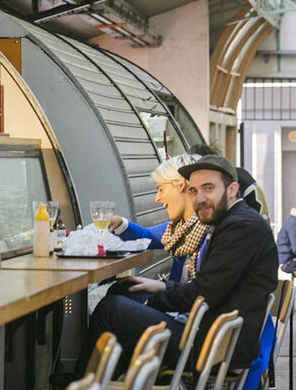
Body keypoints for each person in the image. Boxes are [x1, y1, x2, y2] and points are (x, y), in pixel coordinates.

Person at [79, 154, 278, 377]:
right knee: (125, 290)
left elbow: (203, 294)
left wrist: (152, 300)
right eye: (193, 191)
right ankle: (111, 387)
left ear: (232, 190)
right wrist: (161, 289)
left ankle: (81, 388)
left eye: (209, 188)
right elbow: (207, 288)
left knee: (112, 309)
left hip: (214, 348)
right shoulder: (229, 220)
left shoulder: (240, 227)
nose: (200, 198)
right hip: (209, 331)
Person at [107, 153, 208, 289]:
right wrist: (120, 223)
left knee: (116, 298)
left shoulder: (210, 233)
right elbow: (146, 236)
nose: (157, 198)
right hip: (178, 295)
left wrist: (162, 287)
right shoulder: (182, 227)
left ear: (181, 185)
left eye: (161, 189)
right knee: (120, 289)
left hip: (184, 299)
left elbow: (204, 290)